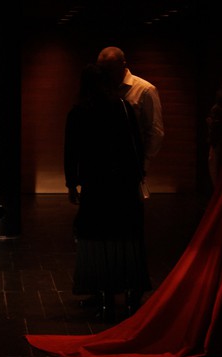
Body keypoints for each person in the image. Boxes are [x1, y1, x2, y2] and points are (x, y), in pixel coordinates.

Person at [26, 58, 222, 357]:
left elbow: (211, 157)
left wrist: (72, 182)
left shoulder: (220, 110)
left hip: (123, 183)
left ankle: (105, 295)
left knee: (220, 252)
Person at [64, 64, 151, 321]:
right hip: (124, 183)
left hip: (96, 184)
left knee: (97, 237)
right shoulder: (123, 107)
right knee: (127, 236)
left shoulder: (79, 111)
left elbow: (71, 151)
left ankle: (104, 300)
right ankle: (132, 297)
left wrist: (71, 184)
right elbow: (137, 145)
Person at [96, 46, 164, 173]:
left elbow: (155, 131)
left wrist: (144, 161)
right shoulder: (100, 89)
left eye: (110, 69)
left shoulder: (145, 90)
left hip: (130, 163)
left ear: (122, 65)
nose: (106, 74)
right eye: (102, 69)